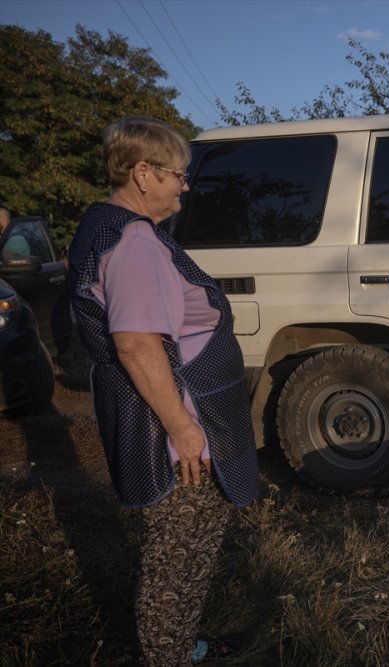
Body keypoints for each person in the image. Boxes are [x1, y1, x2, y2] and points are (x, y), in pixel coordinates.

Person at [67, 117, 260, 665]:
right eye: (178, 173)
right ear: (143, 173)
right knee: (177, 557)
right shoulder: (135, 243)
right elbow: (135, 344)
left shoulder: (107, 226)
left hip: (170, 414)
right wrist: (182, 428)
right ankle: (168, 656)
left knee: (184, 551)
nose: (185, 185)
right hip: (176, 428)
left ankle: (181, 646)